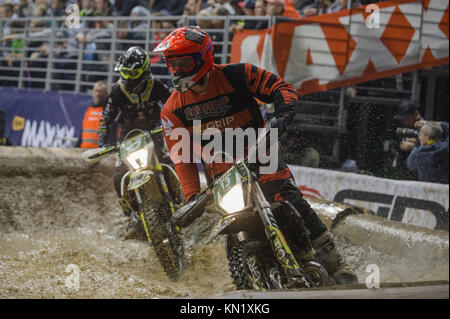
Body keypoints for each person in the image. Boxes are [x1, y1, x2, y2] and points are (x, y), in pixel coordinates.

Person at [152, 26, 358, 285]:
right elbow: (180, 155)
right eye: (172, 64)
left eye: (183, 63)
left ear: (202, 58)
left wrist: (283, 113)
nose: (177, 71)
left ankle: (335, 263)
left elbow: (280, 87)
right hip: (223, 172)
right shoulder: (172, 109)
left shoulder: (237, 74)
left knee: (289, 199)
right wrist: (192, 195)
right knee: (232, 213)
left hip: (261, 153)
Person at [98, 46, 172, 238]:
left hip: (154, 133)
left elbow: (173, 104)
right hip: (128, 138)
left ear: (144, 70)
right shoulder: (117, 91)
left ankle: (177, 198)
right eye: (125, 72)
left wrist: (177, 123)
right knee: (118, 174)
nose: (128, 76)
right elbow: (106, 119)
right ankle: (129, 216)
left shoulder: (156, 86)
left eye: (133, 72)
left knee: (168, 163)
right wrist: (103, 143)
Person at [393, 100, 423, 180]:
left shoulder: (426, 127)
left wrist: (414, 146)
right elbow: (396, 143)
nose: (405, 121)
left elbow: (433, 149)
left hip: (418, 174)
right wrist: (400, 146)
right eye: (403, 119)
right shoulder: (405, 124)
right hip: (403, 172)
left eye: (407, 118)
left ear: (415, 115)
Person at [79, 81, 114, 148]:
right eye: (96, 91)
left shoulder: (108, 111)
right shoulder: (89, 110)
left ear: (106, 94)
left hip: (98, 151)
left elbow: (112, 133)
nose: (98, 94)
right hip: (83, 149)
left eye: (101, 91)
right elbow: (82, 132)